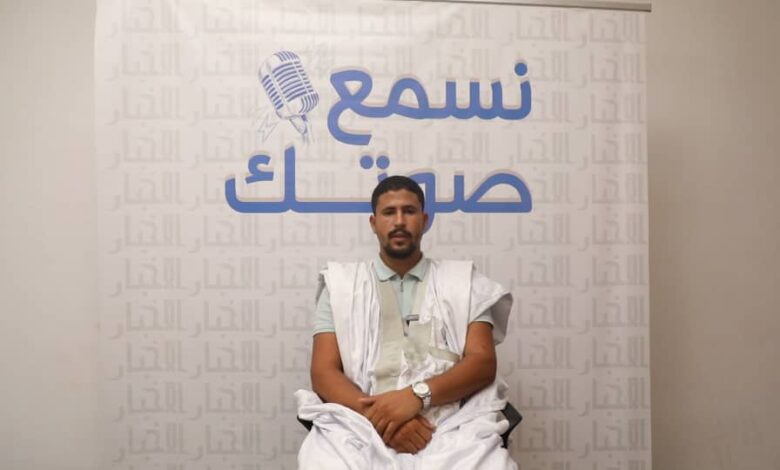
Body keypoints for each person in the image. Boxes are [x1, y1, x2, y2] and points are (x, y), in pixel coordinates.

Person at [295, 176, 517, 469]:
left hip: (451, 424)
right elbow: (323, 373)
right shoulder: (341, 285)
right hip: (359, 423)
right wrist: (383, 419)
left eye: (409, 211)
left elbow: (482, 363)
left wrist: (417, 397)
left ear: (424, 220)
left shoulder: (464, 282)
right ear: (374, 223)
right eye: (389, 212)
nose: (399, 221)